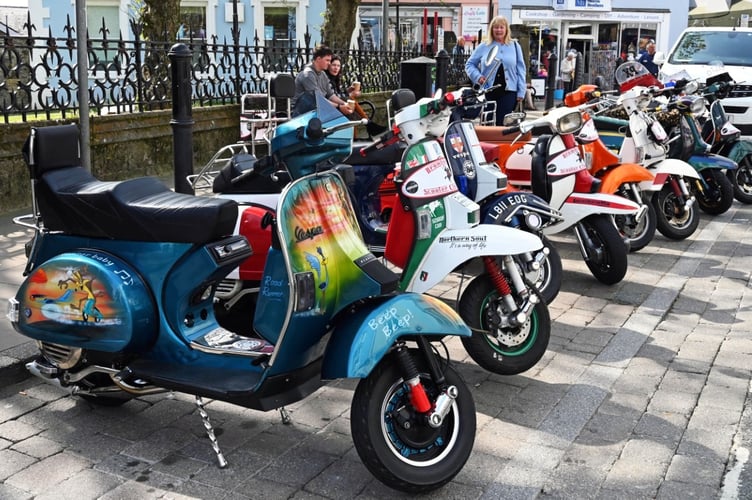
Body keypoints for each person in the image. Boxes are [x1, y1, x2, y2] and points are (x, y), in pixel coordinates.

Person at [465, 16, 526, 126]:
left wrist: (521, 91)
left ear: (506, 29)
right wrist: (478, 77)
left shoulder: (515, 46)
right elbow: (469, 64)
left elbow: (521, 69)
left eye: (501, 27)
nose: (498, 30)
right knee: (487, 123)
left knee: (503, 124)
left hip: (509, 91)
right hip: (488, 91)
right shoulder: (484, 46)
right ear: (491, 29)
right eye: (496, 27)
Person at [325, 55, 387, 137]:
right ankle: (369, 125)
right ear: (329, 65)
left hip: (339, 105)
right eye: (334, 65)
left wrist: (348, 90)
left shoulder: (335, 79)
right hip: (332, 108)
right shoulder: (326, 79)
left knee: (351, 103)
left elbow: (338, 93)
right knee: (351, 105)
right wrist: (349, 94)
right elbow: (332, 96)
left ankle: (368, 125)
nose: (336, 68)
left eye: (338, 66)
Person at [292, 45, 353, 117]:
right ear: (318, 59)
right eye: (327, 60)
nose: (329, 63)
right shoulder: (308, 74)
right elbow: (318, 100)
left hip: (316, 111)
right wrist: (339, 107)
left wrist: (345, 104)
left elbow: (331, 95)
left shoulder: (323, 74)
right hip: (301, 114)